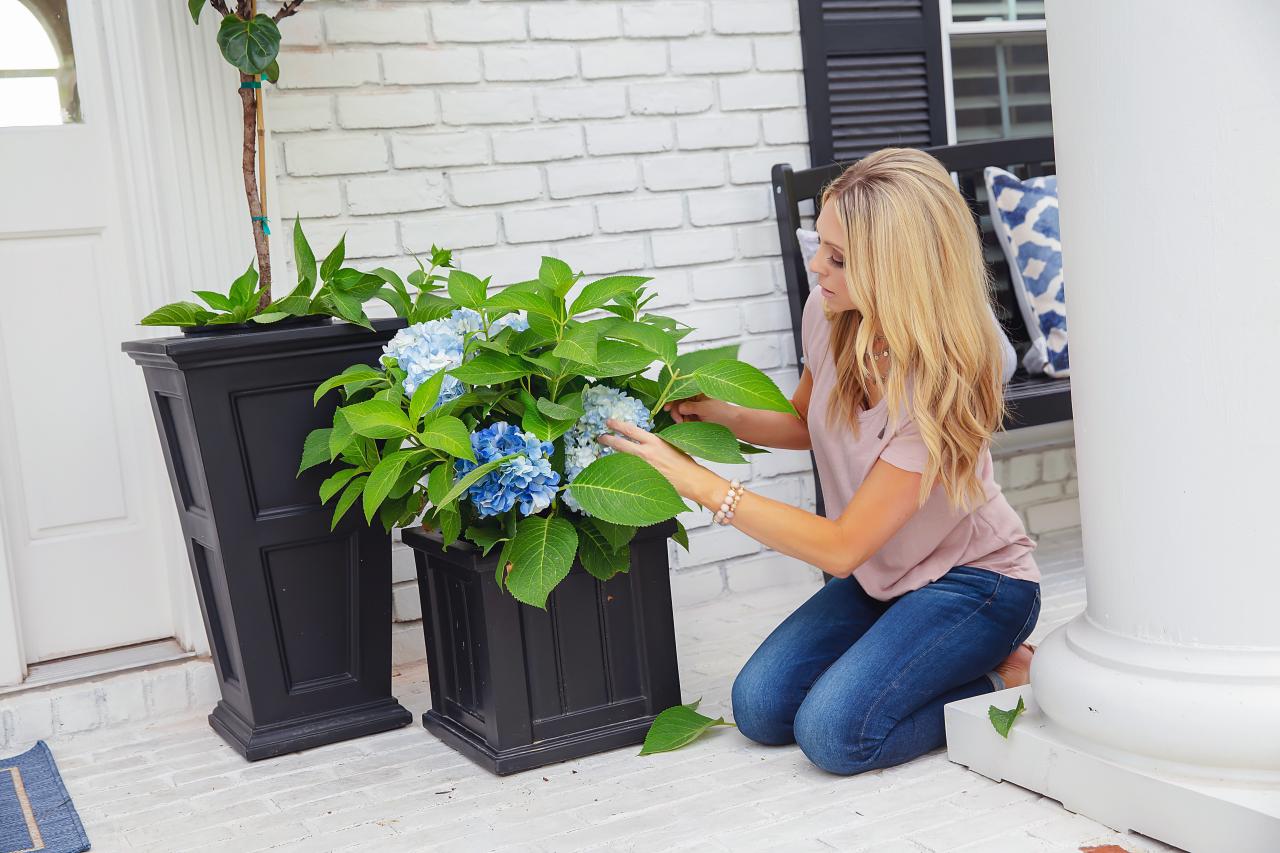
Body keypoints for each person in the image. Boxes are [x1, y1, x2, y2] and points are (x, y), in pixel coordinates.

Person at [595, 147, 1042, 776]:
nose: (817, 267)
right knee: (760, 708)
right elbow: (812, 422)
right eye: (820, 245)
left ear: (897, 270)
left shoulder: (943, 385)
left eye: (837, 257)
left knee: (836, 735)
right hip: (882, 575)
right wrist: (721, 413)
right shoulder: (831, 316)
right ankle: (907, 649)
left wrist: (698, 482)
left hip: (974, 583)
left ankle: (1004, 674)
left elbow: (839, 548)